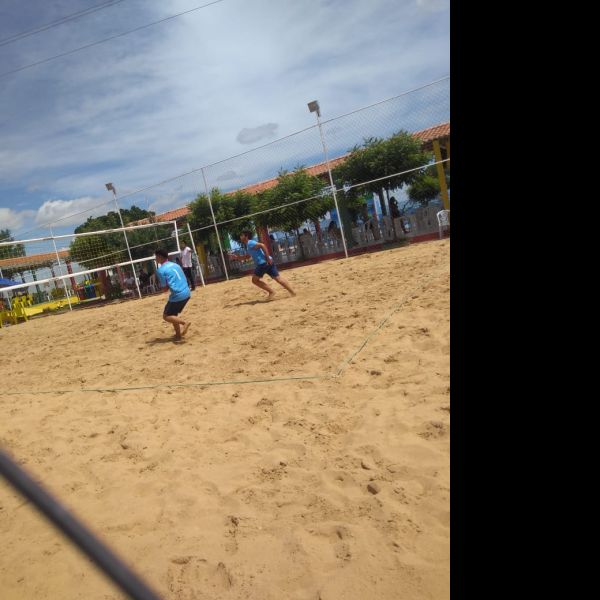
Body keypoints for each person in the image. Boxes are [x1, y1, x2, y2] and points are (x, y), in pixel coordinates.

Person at [229, 231, 296, 300]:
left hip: (263, 264)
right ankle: (292, 292)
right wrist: (237, 257)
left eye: (242, 235)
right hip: (268, 262)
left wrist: (267, 258)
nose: (240, 237)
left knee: (254, 280)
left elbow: (262, 245)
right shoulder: (248, 245)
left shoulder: (250, 243)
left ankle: (271, 292)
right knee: (278, 279)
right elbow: (248, 256)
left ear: (246, 236)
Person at [154, 248, 191, 340]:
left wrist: (161, 287)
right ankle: (178, 335)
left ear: (160, 257)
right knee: (173, 314)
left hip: (178, 295)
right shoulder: (176, 265)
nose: (155, 259)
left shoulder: (160, 270)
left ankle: (184, 323)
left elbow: (165, 289)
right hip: (187, 292)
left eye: (156, 257)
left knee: (166, 316)